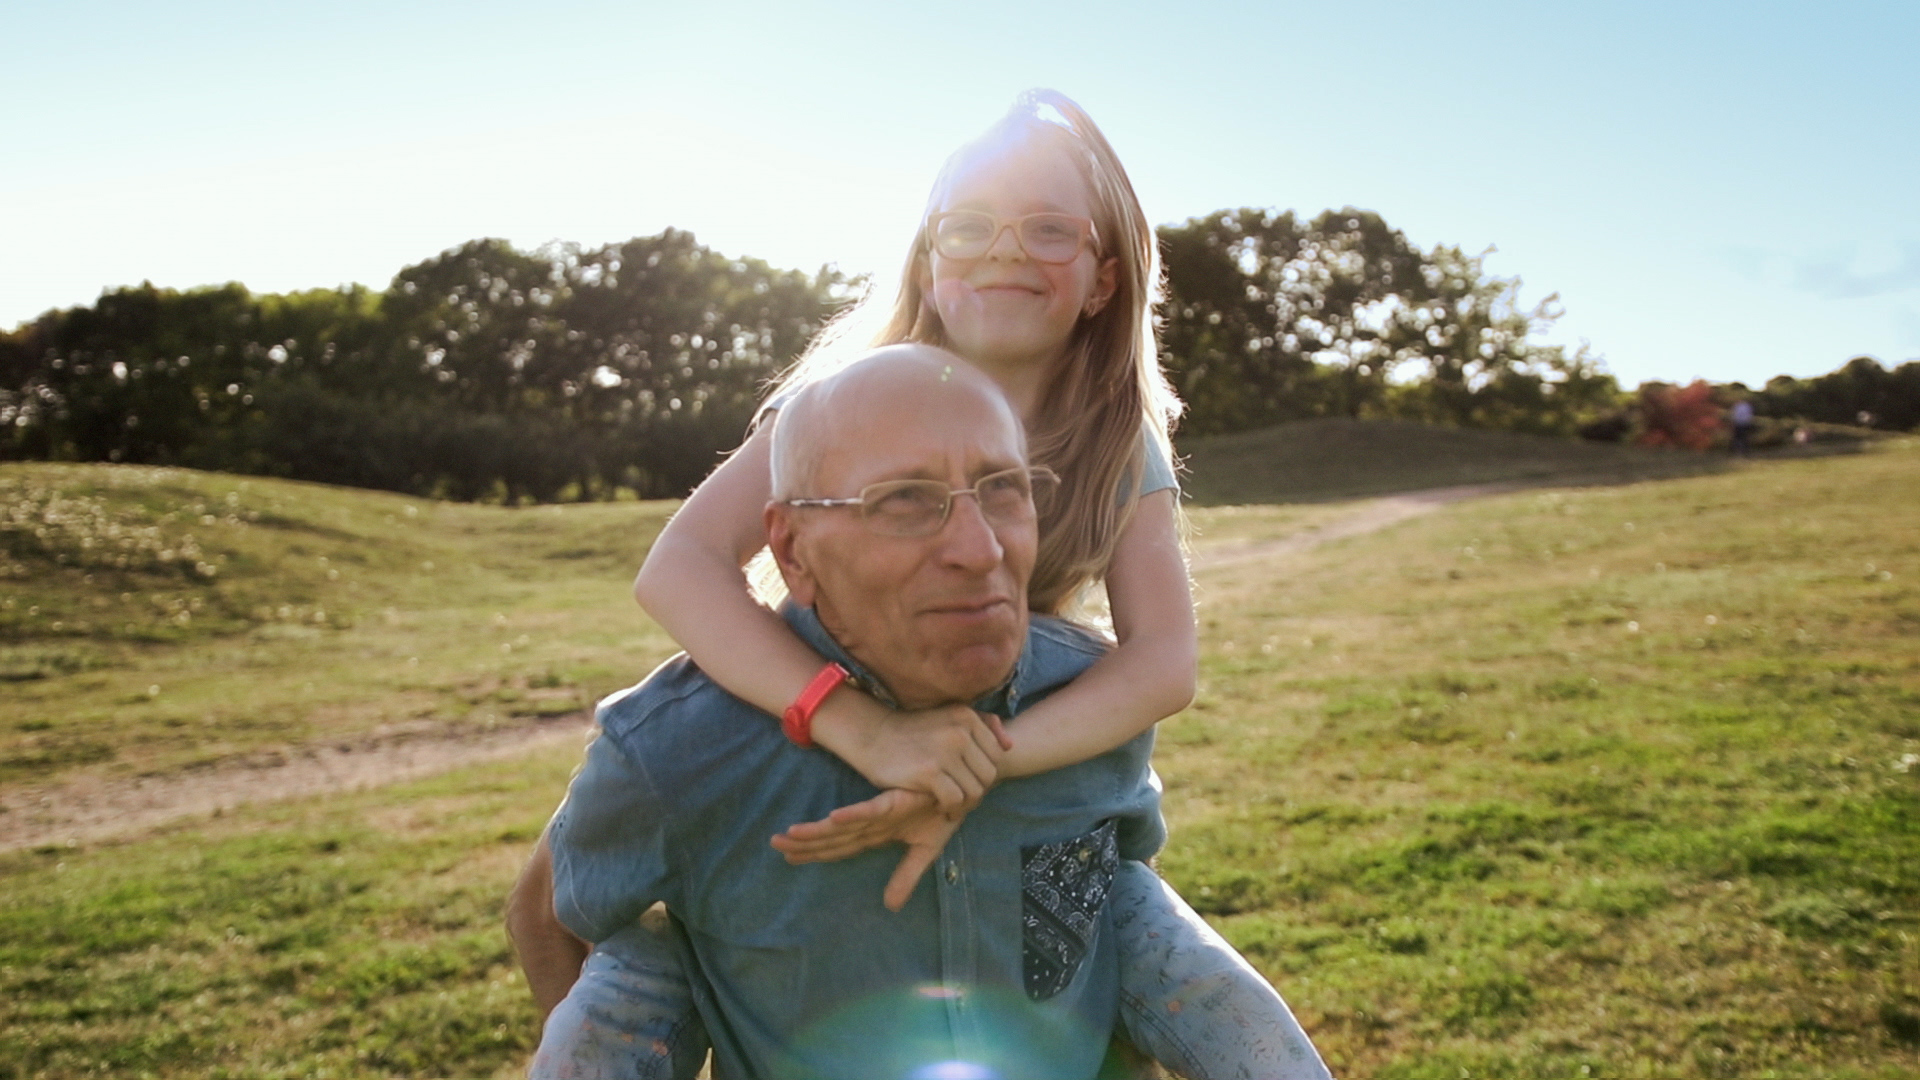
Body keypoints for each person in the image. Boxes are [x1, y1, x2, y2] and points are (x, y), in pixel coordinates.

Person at [513, 89, 1331, 1078]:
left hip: (1003, 713)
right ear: (929, 265)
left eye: (1049, 228)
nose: (1005, 249)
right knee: (569, 877)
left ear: (1105, 279)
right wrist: (865, 731)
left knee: (1091, 933)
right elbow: (680, 568)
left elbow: (1162, 663)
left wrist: (976, 764)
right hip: (810, 695)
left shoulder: (1116, 437)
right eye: (971, 224)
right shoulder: (846, 404)